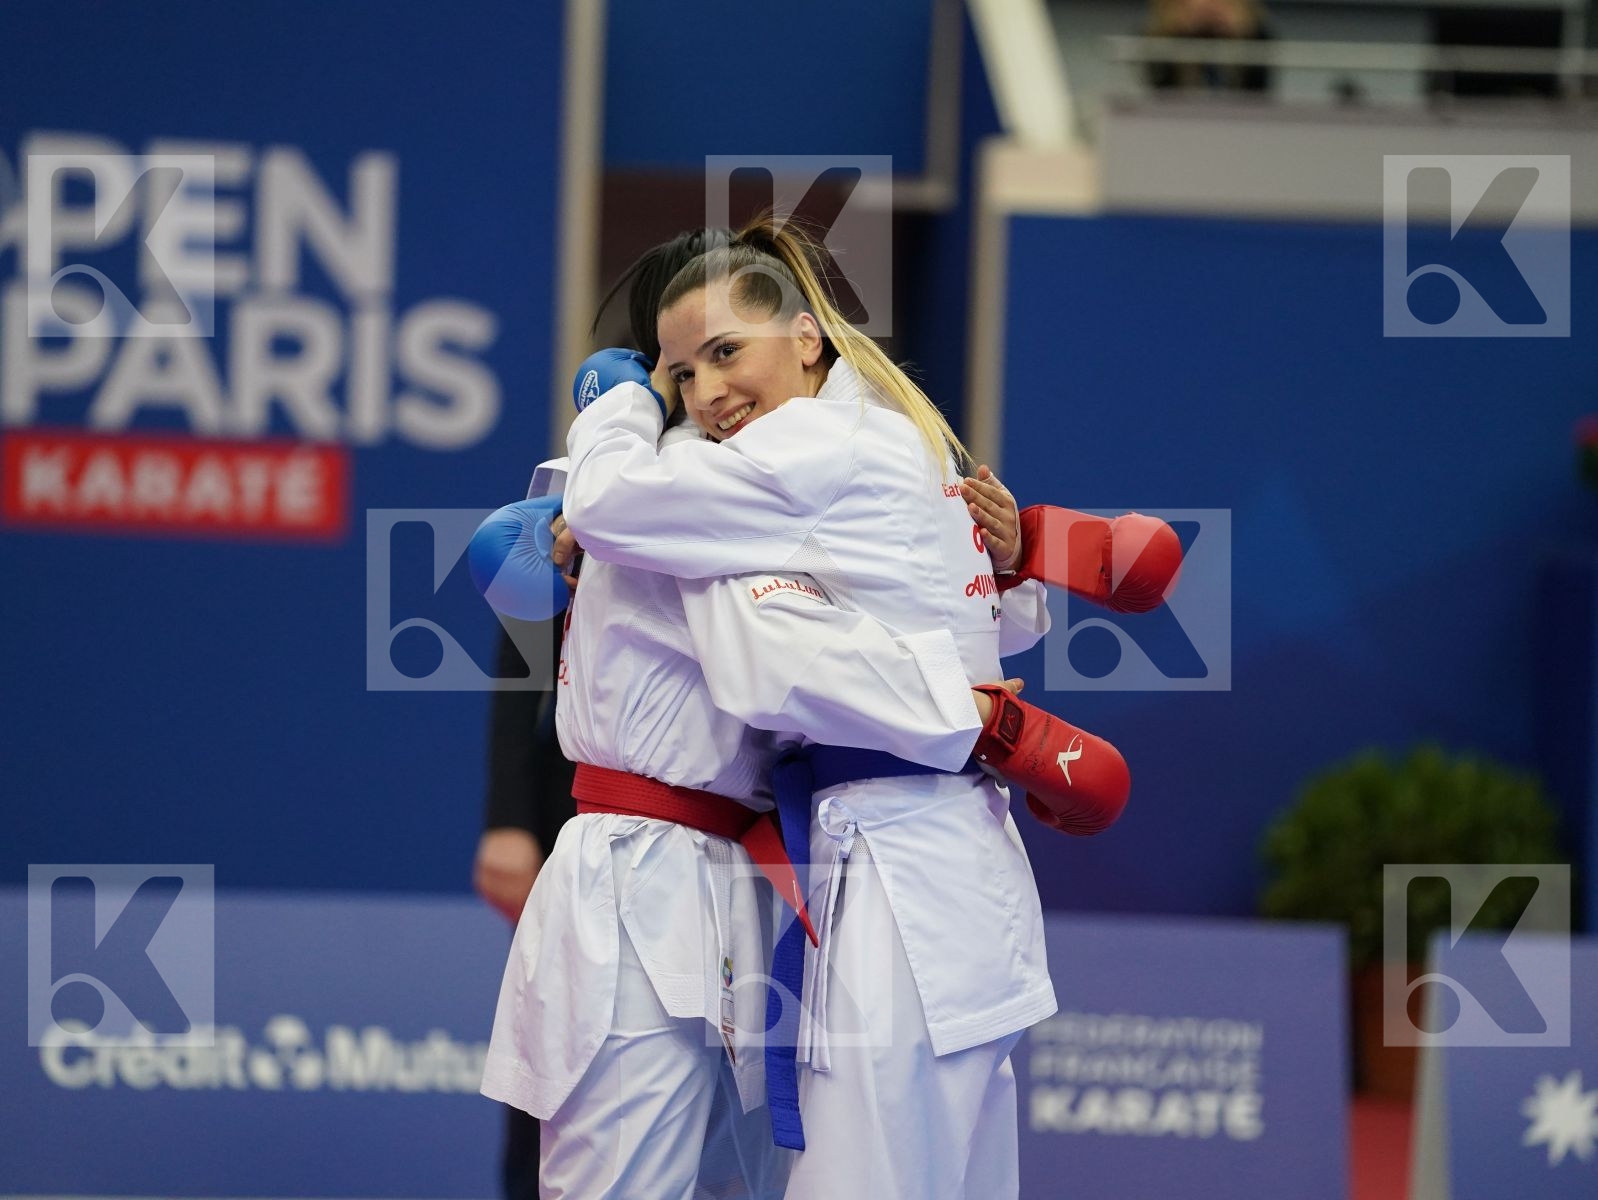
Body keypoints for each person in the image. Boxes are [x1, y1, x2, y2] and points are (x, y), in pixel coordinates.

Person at [475, 230, 1072, 1200]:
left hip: (816, 873)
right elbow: (598, 531)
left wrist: (972, 693)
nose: (706, 390)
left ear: (802, 338)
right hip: (665, 871)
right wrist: (976, 694)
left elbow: (811, 645)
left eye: (723, 353)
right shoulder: (687, 477)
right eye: (677, 372)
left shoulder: (783, 460)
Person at [474, 621, 577, 1200]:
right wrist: (506, 816)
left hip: (736, 803)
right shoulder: (567, 531)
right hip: (574, 800)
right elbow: (526, 632)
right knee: (550, 1024)